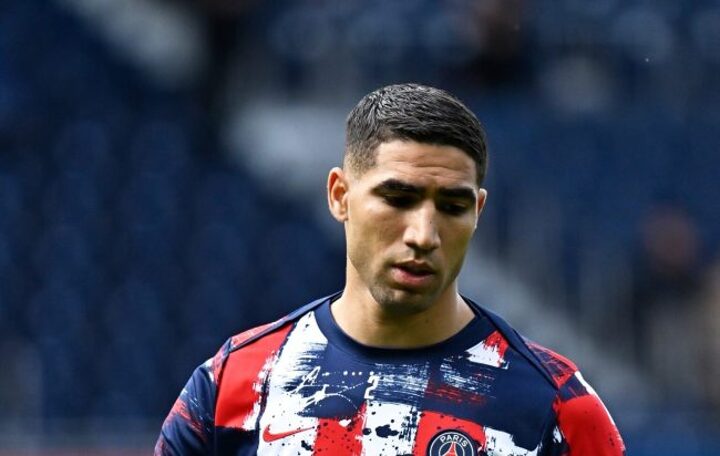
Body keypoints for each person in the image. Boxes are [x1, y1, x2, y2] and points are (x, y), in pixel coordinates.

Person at [155, 83, 625, 455]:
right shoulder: (234, 383)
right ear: (340, 196)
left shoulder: (557, 407)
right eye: (398, 199)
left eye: (453, 206)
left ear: (478, 212)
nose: (423, 234)